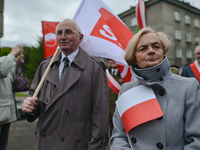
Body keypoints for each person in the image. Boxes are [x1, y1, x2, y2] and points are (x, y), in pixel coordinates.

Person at [22, 18, 109, 150]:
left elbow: (100, 115)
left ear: (80, 38)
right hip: (45, 143)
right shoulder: (45, 66)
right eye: (59, 33)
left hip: (76, 143)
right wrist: (29, 107)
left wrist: (95, 147)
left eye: (68, 32)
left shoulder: (94, 68)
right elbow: (35, 101)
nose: (62, 37)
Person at [109, 27, 200, 149]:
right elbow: (118, 137)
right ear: (134, 57)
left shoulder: (188, 87)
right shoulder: (126, 89)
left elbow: (196, 140)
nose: (151, 51)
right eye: (143, 48)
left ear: (163, 52)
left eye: (156, 46)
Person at [0, 45, 24, 150]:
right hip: (2, 112)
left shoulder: (3, 61)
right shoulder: (4, 62)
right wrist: (12, 54)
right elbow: (3, 70)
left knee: (3, 145)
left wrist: (16, 62)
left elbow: (8, 72)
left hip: (5, 112)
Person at [107, 59, 123, 137]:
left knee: (119, 135)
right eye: (110, 60)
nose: (112, 61)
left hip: (119, 111)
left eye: (114, 59)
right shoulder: (105, 74)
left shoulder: (124, 75)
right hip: (107, 110)